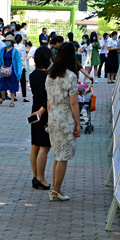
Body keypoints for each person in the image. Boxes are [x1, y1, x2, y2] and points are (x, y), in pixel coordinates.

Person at [45, 43, 81, 201]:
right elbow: (74, 103)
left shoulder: (50, 74)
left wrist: (50, 114)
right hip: (65, 117)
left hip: (53, 115)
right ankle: (56, 189)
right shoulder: (71, 76)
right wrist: (78, 123)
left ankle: (54, 188)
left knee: (57, 155)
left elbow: (48, 100)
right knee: (63, 156)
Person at [29, 47, 53, 190]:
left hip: (33, 112)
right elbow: (49, 98)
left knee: (34, 145)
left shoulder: (32, 75)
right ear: (48, 59)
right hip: (44, 112)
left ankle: (35, 176)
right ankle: (41, 178)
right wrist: (43, 110)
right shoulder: (49, 77)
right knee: (44, 146)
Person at [0, 34, 22, 107]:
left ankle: (12, 101)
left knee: (12, 86)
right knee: (2, 85)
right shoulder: (2, 50)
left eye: (8, 41)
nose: (7, 42)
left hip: (12, 70)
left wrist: (19, 71)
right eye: (6, 41)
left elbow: (18, 61)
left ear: (11, 42)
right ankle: (3, 96)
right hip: (3, 69)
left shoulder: (15, 51)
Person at [14, 34, 29, 103]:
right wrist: (24, 66)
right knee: (23, 82)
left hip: (14, 66)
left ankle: (14, 96)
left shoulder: (13, 46)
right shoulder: (22, 46)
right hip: (21, 66)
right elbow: (23, 57)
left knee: (15, 81)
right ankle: (24, 97)